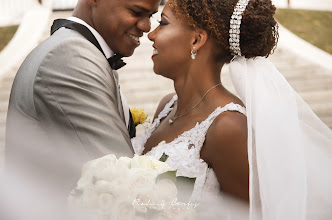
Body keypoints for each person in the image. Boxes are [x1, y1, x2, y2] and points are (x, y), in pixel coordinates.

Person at [132, 0, 332, 219]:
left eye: (163, 23)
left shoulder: (228, 126)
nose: (151, 35)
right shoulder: (167, 105)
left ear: (196, 40)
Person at [3, 0, 161, 214]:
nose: (146, 27)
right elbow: (123, 180)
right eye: (136, 12)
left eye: (150, 16)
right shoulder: (70, 56)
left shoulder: (83, 51)